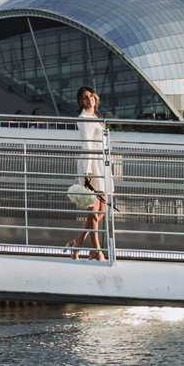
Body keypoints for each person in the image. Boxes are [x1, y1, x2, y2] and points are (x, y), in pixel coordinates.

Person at [66, 86, 111, 260]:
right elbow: (86, 145)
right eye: (85, 97)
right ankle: (97, 251)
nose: (89, 99)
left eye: (91, 95)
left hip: (101, 164)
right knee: (94, 210)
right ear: (80, 101)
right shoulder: (84, 118)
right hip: (91, 165)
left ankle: (76, 244)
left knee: (101, 211)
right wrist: (87, 173)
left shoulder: (96, 118)